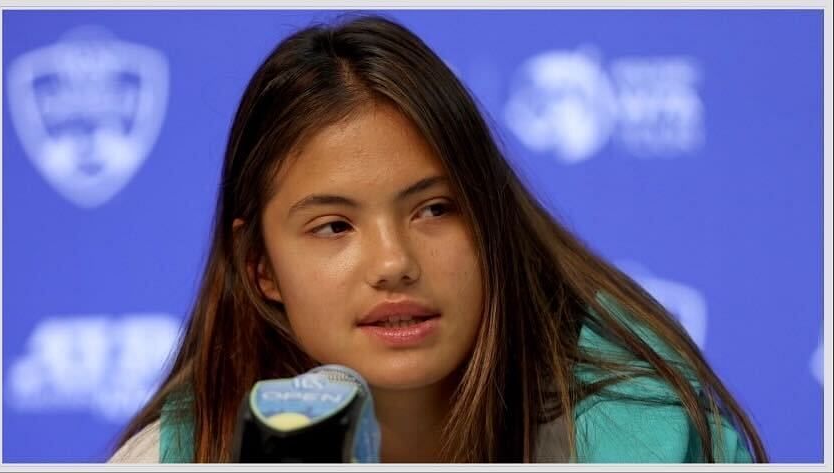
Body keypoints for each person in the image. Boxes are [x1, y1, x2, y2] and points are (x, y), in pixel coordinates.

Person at [109, 14, 768, 463]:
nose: (394, 263)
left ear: (489, 220)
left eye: (434, 209)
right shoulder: (172, 459)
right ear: (262, 269)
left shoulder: (645, 431)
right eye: (334, 226)